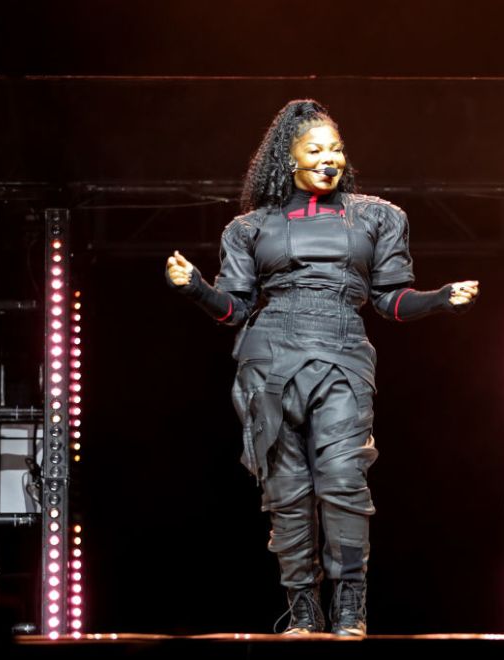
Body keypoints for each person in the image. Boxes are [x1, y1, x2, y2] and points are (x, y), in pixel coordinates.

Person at [165, 99, 478, 636]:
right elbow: (235, 309)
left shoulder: (378, 216)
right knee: (285, 490)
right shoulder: (249, 228)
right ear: (289, 160)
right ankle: (303, 607)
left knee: (342, 478)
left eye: (336, 149)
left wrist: (441, 298)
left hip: (342, 351)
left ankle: (351, 605)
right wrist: (195, 288)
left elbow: (390, 301)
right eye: (315, 150)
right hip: (268, 357)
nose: (328, 159)